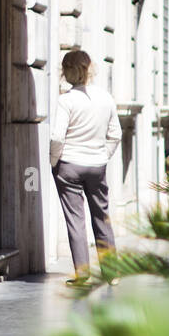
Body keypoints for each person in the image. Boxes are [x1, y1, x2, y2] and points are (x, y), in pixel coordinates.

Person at [50, 49, 119, 285]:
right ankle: (112, 273)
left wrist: (53, 162)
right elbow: (115, 134)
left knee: (75, 220)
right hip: (97, 165)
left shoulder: (66, 100)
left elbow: (57, 137)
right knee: (102, 217)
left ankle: (82, 273)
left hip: (69, 165)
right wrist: (102, 156)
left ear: (67, 72)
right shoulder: (106, 98)